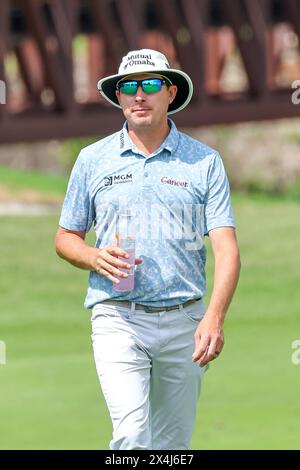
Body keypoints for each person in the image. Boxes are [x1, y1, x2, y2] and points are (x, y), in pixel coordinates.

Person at [55, 49, 241, 450]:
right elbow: (65, 237)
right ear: (119, 96)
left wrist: (214, 318)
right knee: (133, 436)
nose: (140, 95)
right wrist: (93, 256)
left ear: (170, 92)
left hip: (185, 321)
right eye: (129, 87)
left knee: (171, 447)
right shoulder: (92, 159)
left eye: (152, 85)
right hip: (117, 317)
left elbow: (227, 250)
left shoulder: (204, 161)